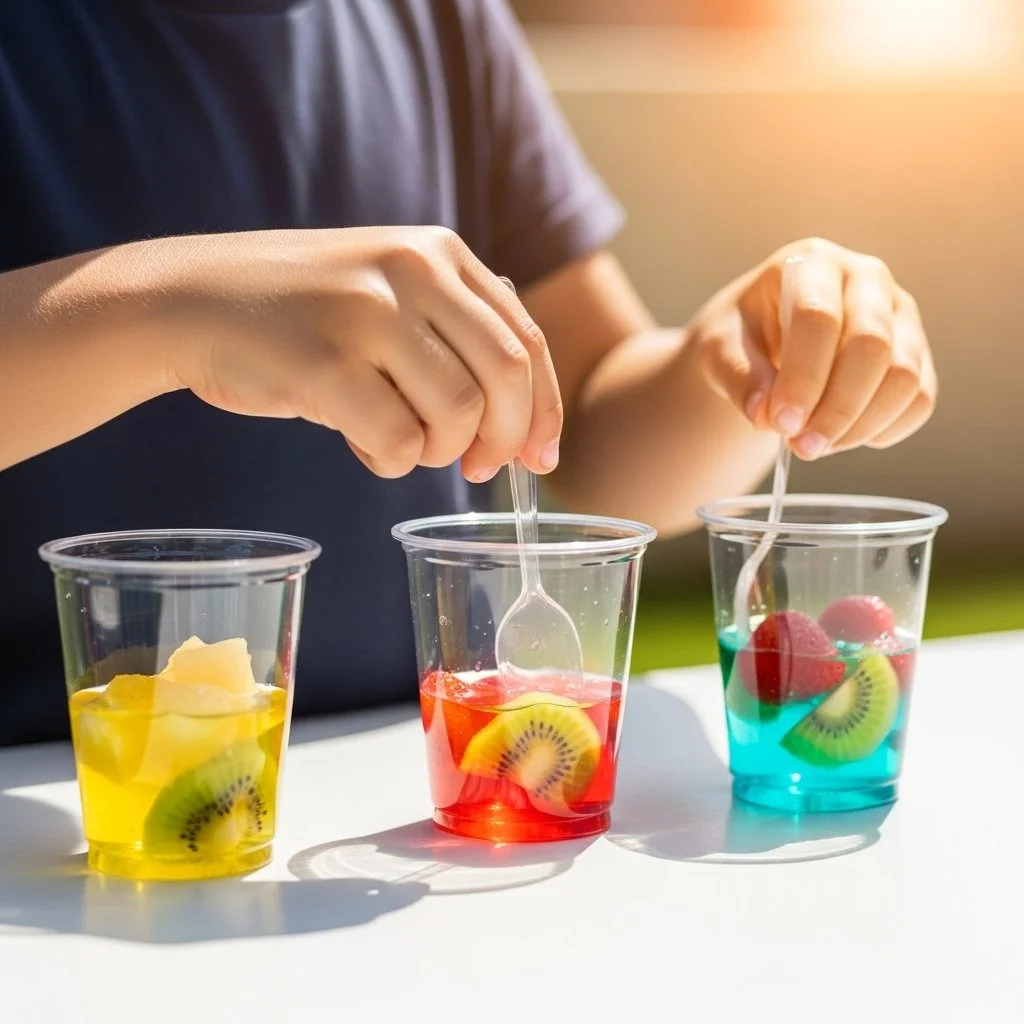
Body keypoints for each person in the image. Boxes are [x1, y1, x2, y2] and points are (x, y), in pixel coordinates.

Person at [0, 1, 936, 746]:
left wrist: (735, 361)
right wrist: (165, 310)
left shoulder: (437, 16)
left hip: (406, 801)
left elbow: (593, 445)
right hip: (63, 831)